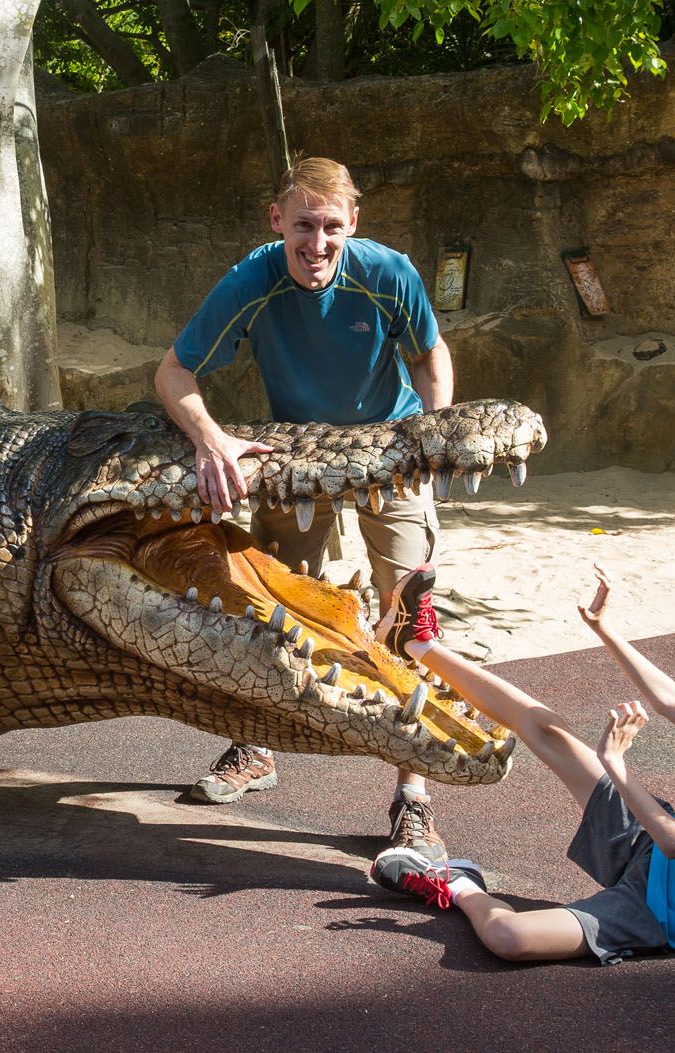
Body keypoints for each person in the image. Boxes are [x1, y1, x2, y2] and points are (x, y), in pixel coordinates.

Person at [155, 156, 456, 860]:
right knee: (271, 608)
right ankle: (255, 745)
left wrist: (430, 438)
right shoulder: (252, 279)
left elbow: (431, 357)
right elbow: (173, 371)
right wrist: (212, 440)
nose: (316, 244)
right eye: (302, 226)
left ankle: (413, 798)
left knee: (412, 616)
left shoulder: (389, 275)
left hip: (389, 451)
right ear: (276, 221)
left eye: (330, 227)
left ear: (353, 223)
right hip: (300, 457)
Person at [368, 563, 675, 965]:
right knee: (549, 731)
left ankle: (457, 883)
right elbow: (670, 701)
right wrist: (605, 629)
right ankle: (416, 643)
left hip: (671, 913)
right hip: (657, 850)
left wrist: (616, 764)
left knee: (510, 940)